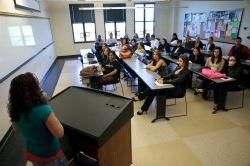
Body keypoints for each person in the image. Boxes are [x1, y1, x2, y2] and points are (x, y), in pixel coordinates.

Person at [7, 72, 67, 166]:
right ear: (34, 90)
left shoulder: (15, 111)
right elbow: (60, 133)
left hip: (34, 154)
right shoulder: (43, 110)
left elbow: (16, 129)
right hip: (51, 155)